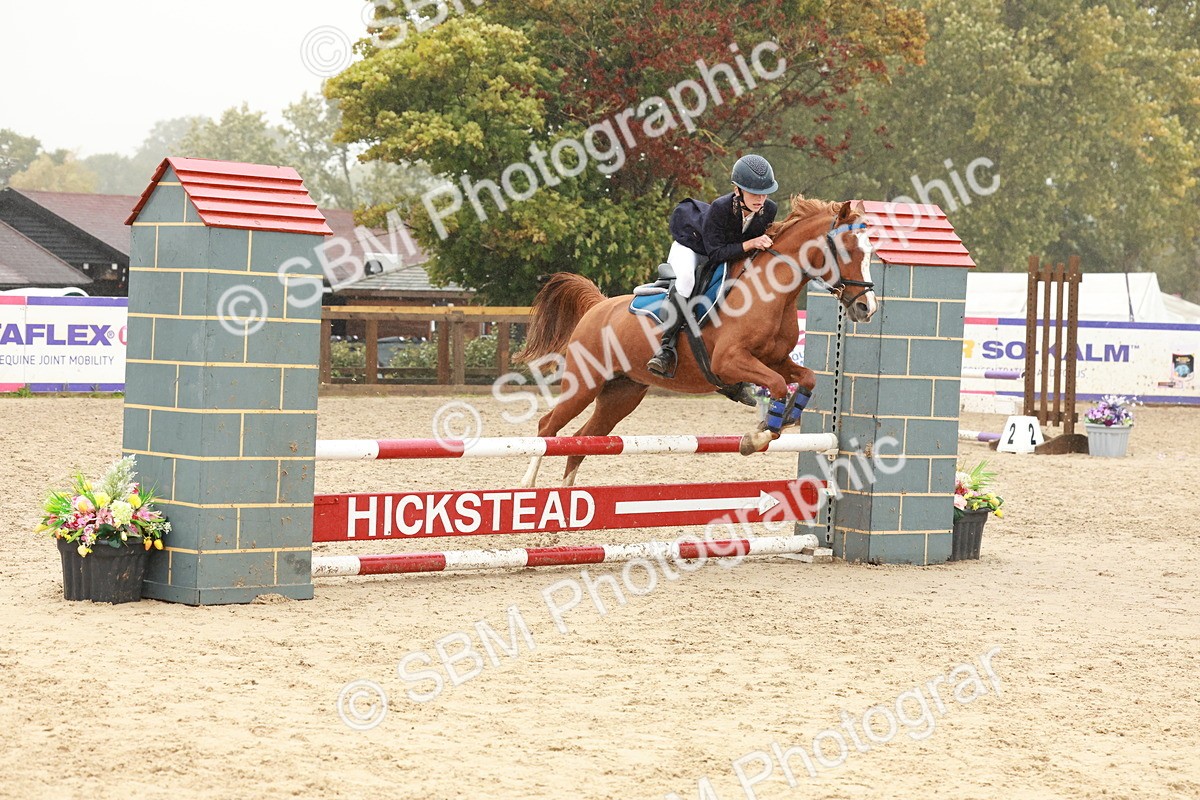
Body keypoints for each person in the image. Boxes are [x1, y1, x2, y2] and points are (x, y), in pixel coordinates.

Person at [646, 154, 779, 377]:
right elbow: (716, 253)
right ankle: (665, 349)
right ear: (737, 190)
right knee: (687, 282)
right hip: (693, 247)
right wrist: (751, 243)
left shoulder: (769, 209)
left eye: (764, 193)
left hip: (726, 250)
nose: (760, 199)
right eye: (754, 193)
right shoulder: (720, 208)